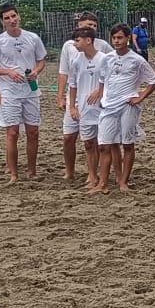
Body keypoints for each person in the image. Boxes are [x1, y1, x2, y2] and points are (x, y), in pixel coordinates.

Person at [0, 3, 48, 182]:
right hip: (9, 92)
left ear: (19, 16)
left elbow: (42, 60)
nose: (12, 20)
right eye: (7, 18)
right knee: (12, 132)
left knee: (33, 132)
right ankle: (13, 173)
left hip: (30, 91)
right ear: (2, 21)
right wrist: (8, 72)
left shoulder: (32, 38)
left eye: (13, 16)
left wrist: (36, 71)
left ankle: (32, 170)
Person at [90, 24, 155, 194]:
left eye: (120, 37)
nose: (116, 41)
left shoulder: (137, 60)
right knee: (104, 145)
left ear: (128, 38)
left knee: (127, 144)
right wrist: (102, 96)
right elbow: (102, 79)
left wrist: (140, 97)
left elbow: (153, 81)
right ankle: (103, 183)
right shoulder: (107, 58)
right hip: (109, 105)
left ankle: (123, 181)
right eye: (114, 38)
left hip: (128, 105)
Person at [57, 12, 114, 185]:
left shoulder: (103, 49)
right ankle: (70, 172)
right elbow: (65, 74)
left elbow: (112, 69)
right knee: (70, 137)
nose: (91, 28)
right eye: (87, 25)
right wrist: (63, 98)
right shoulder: (70, 48)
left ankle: (97, 175)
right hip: (77, 101)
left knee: (99, 141)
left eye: (94, 25)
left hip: (98, 103)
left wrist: (100, 90)